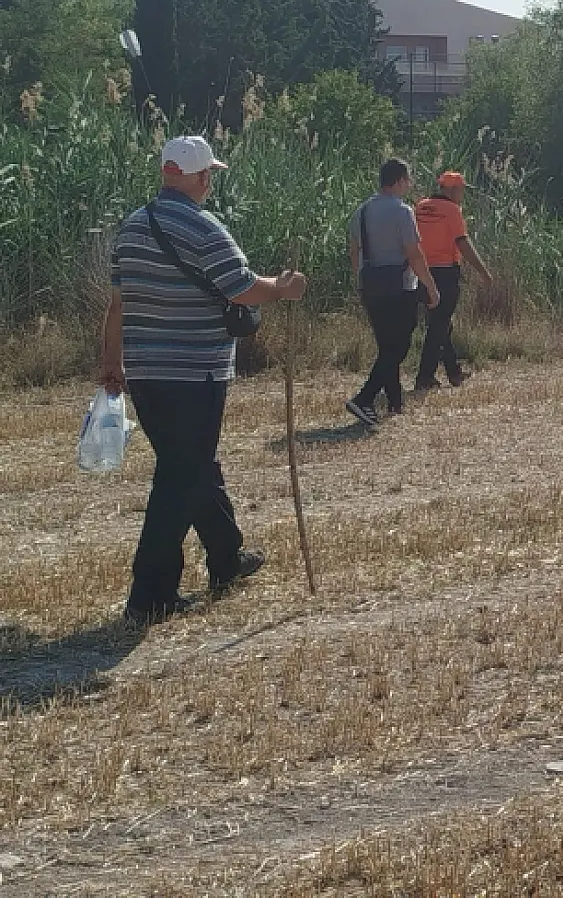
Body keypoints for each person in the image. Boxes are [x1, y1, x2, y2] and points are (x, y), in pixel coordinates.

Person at [102, 135, 308, 625]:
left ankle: (226, 557)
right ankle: (150, 595)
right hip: (195, 371)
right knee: (180, 474)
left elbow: (117, 305)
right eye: (208, 173)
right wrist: (283, 288)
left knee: (191, 464)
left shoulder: (131, 228)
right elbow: (242, 288)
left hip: (145, 374)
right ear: (198, 177)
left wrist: (112, 363)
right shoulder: (203, 228)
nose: (209, 181)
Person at [345, 158, 438, 426]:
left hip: (371, 286)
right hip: (399, 287)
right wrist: (431, 287)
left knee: (386, 346)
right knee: (399, 347)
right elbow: (414, 254)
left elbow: (354, 251)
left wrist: (360, 281)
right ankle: (365, 398)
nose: (410, 185)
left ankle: (395, 402)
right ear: (398, 181)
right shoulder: (402, 211)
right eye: (408, 180)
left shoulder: (361, 211)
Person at [414, 171, 493, 392]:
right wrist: (483, 272)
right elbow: (463, 243)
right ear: (452, 190)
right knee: (438, 326)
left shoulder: (419, 206)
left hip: (420, 272)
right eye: (461, 190)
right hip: (445, 273)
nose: (463, 194)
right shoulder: (452, 210)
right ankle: (424, 378)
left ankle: (454, 373)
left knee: (440, 324)